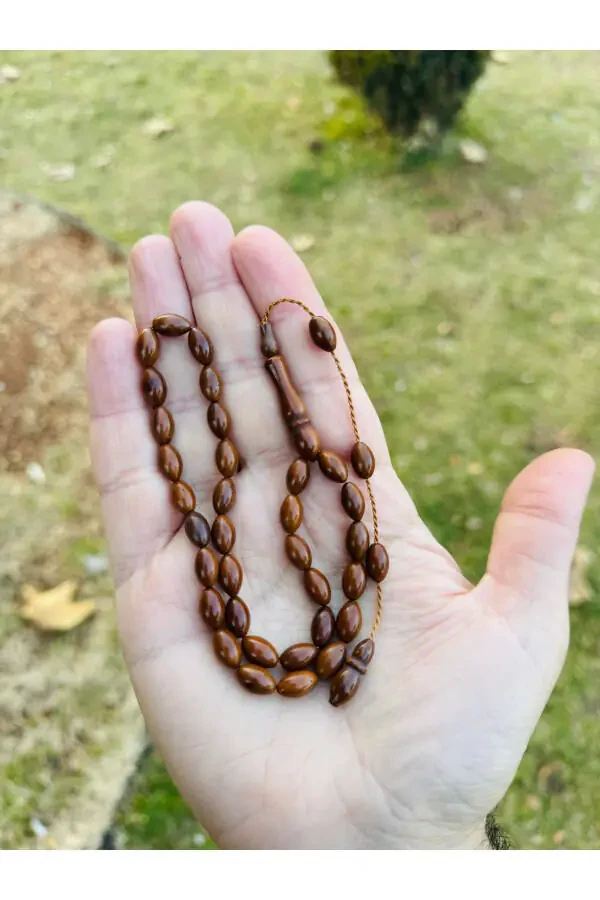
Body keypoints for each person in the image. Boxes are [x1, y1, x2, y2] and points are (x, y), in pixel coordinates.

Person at [86, 201, 594, 850]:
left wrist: (423, 842)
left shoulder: (346, 614)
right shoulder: (321, 623)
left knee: (299, 527)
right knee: (236, 531)